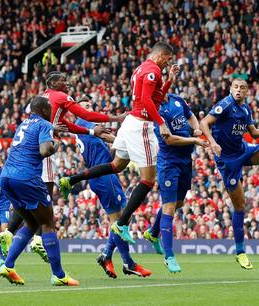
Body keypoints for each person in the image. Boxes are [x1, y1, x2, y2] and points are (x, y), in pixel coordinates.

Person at [59, 42, 179, 244]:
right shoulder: (153, 70)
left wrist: (169, 81)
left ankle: (71, 180)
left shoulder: (141, 69)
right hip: (141, 125)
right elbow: (148, 101)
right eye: (168, 59)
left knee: (116, 166)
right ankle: (122, 223)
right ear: (161, 55)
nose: (168, 64)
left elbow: (154, 97)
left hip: (130, 122)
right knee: (148, 180)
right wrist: (161, 123)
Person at [199, 78, 259, 270]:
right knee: (240, 206)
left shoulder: (246, 109)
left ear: (247, 91)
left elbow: (254, 134)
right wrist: (212, 142)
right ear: (231, 89)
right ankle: (240, 252)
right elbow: (203, 123)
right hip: (228, 161)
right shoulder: (225, 105)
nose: (238, 90)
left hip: (243, 150)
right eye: (235, 87)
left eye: (242, 88)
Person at [0, 96, 78, 286]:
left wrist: (51, 130)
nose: (51, 112)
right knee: (48, 223)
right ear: (43, 110)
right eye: (49, 109)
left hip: (7, 177)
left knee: (32, 223)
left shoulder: (24, 124)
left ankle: (8, 266)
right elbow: (45, 150)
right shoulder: (44, 124)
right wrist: (55, 143)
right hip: (26, 178)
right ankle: (59, 275)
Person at [75, 98, 151, 278]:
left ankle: (106, 255)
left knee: (124, 219)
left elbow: (108, 152)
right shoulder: (84, 122)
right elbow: (111, 138)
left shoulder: (85, 127)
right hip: (102, 177)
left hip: (106, 173)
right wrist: (125, 139)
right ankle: (128, 262)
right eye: (85, 107)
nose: (90, 109)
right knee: (118, 222)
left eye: (90, 106)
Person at [143, 93, 208, 273]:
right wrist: (194, 139)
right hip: (168, 164)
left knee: (178, 203)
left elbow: (190, 116)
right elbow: (170, 139)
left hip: (185, 161)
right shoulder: (155, 111)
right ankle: (169, 256)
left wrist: (196, 128)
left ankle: (153, 232)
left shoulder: (176, 99)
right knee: (170, 208)